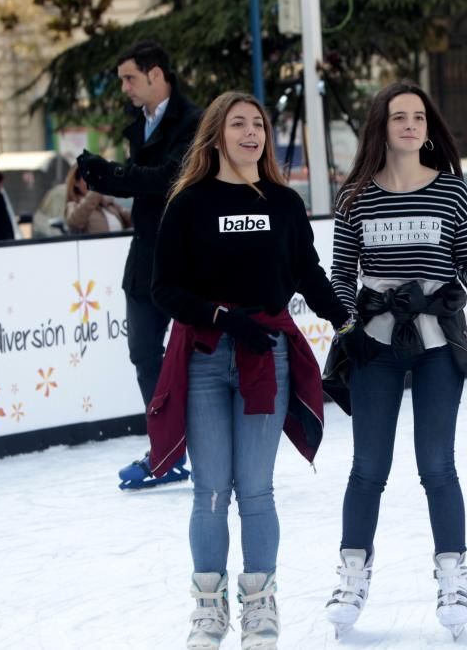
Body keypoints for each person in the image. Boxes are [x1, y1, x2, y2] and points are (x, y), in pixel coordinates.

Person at [145, 91, 353, 650]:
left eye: (258, 124)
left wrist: (345, 320)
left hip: (267, 357)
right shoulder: (187, 203)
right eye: (238, 124)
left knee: (256, 490)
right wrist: (223, 318)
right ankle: (209, 612)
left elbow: (308, 273)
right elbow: (163, 288)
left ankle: (260, 610)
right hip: (207, 358)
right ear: (216, 134)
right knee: (212, 490)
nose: (251, 133)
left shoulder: (282, 203)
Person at [321, 81, 467, 641]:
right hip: (375, 345)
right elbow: (342, 275)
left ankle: (453, 575)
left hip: (438, 346)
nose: (410, 125)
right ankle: (352, 572)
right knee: (367, 468)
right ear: (382, 126)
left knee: (437, 466)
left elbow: (466, 260)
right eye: (399, 117)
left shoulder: (451, 193)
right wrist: (348, 325)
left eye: (418, 116)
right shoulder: (356, 198)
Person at [76, 41, 202, 490]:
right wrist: (110, 176)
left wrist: (111, 175)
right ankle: (166, 448)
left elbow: (171, 178)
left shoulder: (194, 121)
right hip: (145, 257)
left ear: (156, 75)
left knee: (203, 352)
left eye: (130, 78)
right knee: (144, 354)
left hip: (189, 257)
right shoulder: (138, 125)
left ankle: (206, 444)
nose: (125, 87)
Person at [63, 166, 131, 234]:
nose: (92, 181)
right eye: (87, 178)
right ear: (76, 182)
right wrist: (97, 189)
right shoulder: (73, 205)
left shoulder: (108, 204)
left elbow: (133, 220)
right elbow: (75, 223)